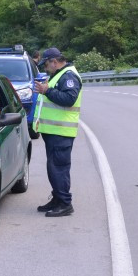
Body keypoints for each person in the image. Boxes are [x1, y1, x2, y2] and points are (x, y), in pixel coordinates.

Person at [33, 47, 83, 217]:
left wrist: (47, 90)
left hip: (61, 131)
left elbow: (69, 99)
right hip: (55, 131)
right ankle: (57, 199)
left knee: (59, 168)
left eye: (46, 65)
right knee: (54, 167)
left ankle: (65, 203)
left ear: (54, 62)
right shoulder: (59, 74)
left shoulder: (68, 76)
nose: (45, 68)